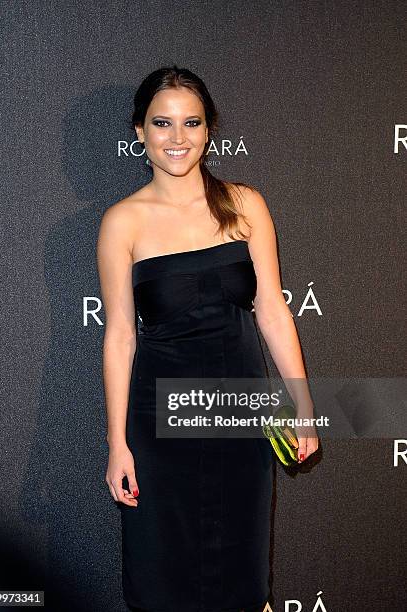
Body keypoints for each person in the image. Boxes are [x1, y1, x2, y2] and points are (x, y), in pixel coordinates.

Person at [96, 65, 318, 612]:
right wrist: (117, 444)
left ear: (209, 129)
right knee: (162, 579)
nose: (178, 138)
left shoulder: (245, 204)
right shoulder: (122, 222)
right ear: (139, 131)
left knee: (241, 577)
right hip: (158, 425)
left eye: (191, 123)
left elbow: (272, 310)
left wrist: (305, 404)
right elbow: (121, 335)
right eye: (162, 123)